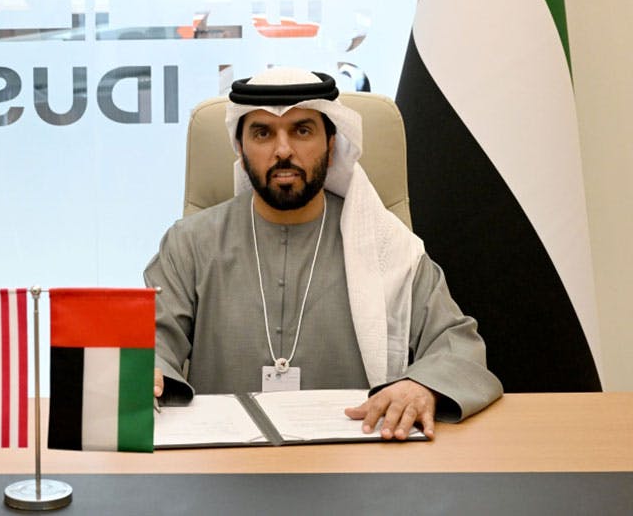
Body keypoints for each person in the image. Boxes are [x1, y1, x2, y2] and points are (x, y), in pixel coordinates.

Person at [145, 67, 502, 440]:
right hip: (220, 468)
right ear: (239, 147)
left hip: (358, 462)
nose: (283, 150)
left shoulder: (387, 245)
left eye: (302, 130)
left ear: (332, 145)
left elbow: (457, 344)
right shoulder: (189, 244)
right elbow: (149, 343)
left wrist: (421, 385)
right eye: (262, 133)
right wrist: (145, 372)